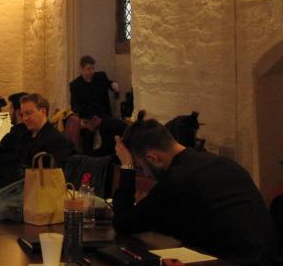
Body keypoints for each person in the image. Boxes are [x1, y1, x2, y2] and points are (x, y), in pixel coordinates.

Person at [113, 111, 276, 264]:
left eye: (141, 166)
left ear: (153, 158)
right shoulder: (221, 163)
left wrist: (127, 166)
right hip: (264, 258)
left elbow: (123, 223)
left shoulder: (176, 182)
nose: (146, 175)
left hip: (230, 261)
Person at [0, 93, 73, 167]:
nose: (25, 118)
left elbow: (51, 173)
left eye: (28, 113)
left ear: (43, 111)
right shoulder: (25, 135)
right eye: (22, 114)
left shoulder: (56, 139)